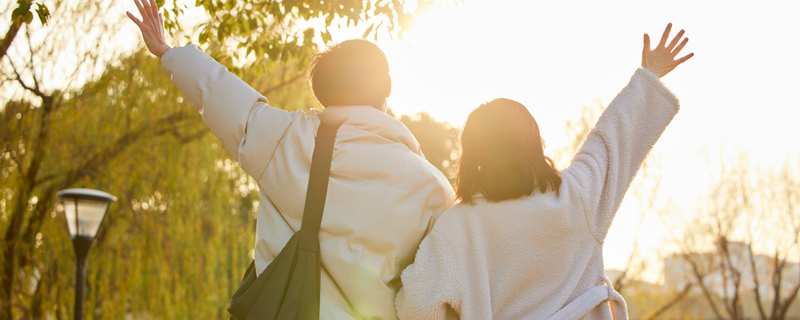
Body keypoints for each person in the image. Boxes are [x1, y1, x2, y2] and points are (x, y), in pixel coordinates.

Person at [126, 0, 455, 318]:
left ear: (323, 92)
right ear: (388, 86)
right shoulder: (433, 188)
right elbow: (430, 294)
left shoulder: (290, 140)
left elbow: (221, 94)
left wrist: (167, 51)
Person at [395, 24, 693, 319]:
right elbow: (612, 139)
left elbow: (417, 307)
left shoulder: (457, 227)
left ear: (473, 156)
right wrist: (648, 77)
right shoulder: (576, 198)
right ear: (534, 144)